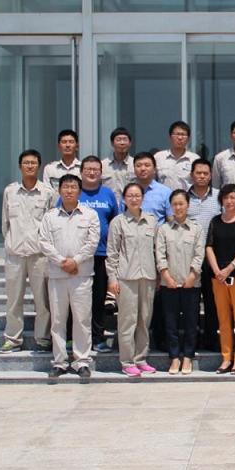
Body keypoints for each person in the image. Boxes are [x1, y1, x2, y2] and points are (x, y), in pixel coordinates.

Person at [38, 174, 100, 378]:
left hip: (81, 275)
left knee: (82, 319)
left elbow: (92, 243)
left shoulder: (90, 215)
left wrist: (76, 261)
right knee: (58, 320)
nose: (69, 191)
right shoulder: (50, 217)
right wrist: (62, 262)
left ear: (80, 191)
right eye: (65, 187)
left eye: (73, 187)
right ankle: (59, 361)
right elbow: (44, 242)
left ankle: (81, 361)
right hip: (57, 275)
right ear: (59, 191)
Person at [0, 149, 57, 354]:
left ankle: (42, 338)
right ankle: (12, 339)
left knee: (42, 300)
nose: (30, 166)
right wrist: (11, 242)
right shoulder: (10, 191)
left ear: (39, 166)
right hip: (15, 255)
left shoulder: (48, 192)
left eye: (33, 163)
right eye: (26, 163)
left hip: (39, 255)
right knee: (14, 300)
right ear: (20, 166)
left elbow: (52, 224)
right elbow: (5, 223)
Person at [106, 182, 159, 378]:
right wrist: (112, 278)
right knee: (127, 321)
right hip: (126, 278)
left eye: (137, 196)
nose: (134, 199)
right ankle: (127, 361)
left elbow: (157, 249)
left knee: (144, 320)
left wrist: (159, 275)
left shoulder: (152, 221)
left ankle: (141, 359)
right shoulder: (118, 222)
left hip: (148, 277)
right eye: (130, 196)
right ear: (124, 199)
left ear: (143, 198)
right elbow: (112, 253)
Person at [73, 156, 122, 353]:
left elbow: (115, 223)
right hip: (77, 257)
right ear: (81, 172)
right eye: (88, 169)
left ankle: (98, 338)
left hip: (101, 254)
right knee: (77, 299)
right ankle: (74, 339)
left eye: (96, 169)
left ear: (101, 173)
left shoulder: (108, 194)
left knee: (99, 298)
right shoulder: (74, 192)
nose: (92, 172)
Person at [157, 190, 206, 374]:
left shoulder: (196, 229)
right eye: (175, 204)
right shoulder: (163, 229)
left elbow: (199, 254)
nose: (178, 207)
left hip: (191, 284)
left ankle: (187, 357)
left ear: (188, 205)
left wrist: (192, 275)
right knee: (170, 324)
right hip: (169, 284)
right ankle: (174, 358)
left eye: (181, 204)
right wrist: (166, 276)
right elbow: (160, 255)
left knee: (191, 323)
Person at [206, 184, 235, 374]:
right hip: (218, 277)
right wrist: (217, 270)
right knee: (223, 319)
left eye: (232, 197)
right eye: (226, 198)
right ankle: (226, 357)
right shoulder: (215, 221)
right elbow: (209, 246)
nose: (229, 201)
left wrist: (229, 268)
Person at [186, 158, 222, 351]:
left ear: (210, 176)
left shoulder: (219, 197)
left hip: (212, 256)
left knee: (211, 300)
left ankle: (211, 339)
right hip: (188, 256)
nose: (201, 176)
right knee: (190, 301)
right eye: (198, 173)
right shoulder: (184, 197)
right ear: (191, 175)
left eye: (205, 173)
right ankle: (191, 340)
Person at [154, 120, 200, 191]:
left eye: (183, 135)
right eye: (177, 134)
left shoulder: (195, 159)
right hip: (164, 197)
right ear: (170, 137)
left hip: (186, 197)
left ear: (188, 139)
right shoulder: (158, 157)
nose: (180, 138)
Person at [132, 151, 172, 223]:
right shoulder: (128, 192)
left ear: (154, 169)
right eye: (138, 165)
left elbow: (171, 220)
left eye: (147, 165)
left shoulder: (166, 192)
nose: (143, 169)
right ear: (134, 170)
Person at [101, 127, 136, 197]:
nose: (122, 143)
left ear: (130, 143)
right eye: (118, 140)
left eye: (125, 140)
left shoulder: (135, 164)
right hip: (108, 202)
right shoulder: (103, 165)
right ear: (112, 143)